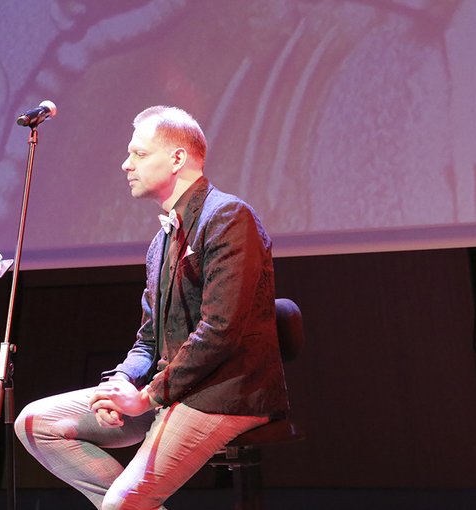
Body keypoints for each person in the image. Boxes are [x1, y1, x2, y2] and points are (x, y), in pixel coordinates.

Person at [15, 105, 288, 510]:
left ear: (177, 158)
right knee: (35, 424)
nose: (126, 165)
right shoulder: (160, 242)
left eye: (139, 154)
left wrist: (147, 397)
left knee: (120, 505)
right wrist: (119, 384)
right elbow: (148, 338)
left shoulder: (228, 217)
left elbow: (220, 331)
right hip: (173, 388)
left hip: (225, 392)